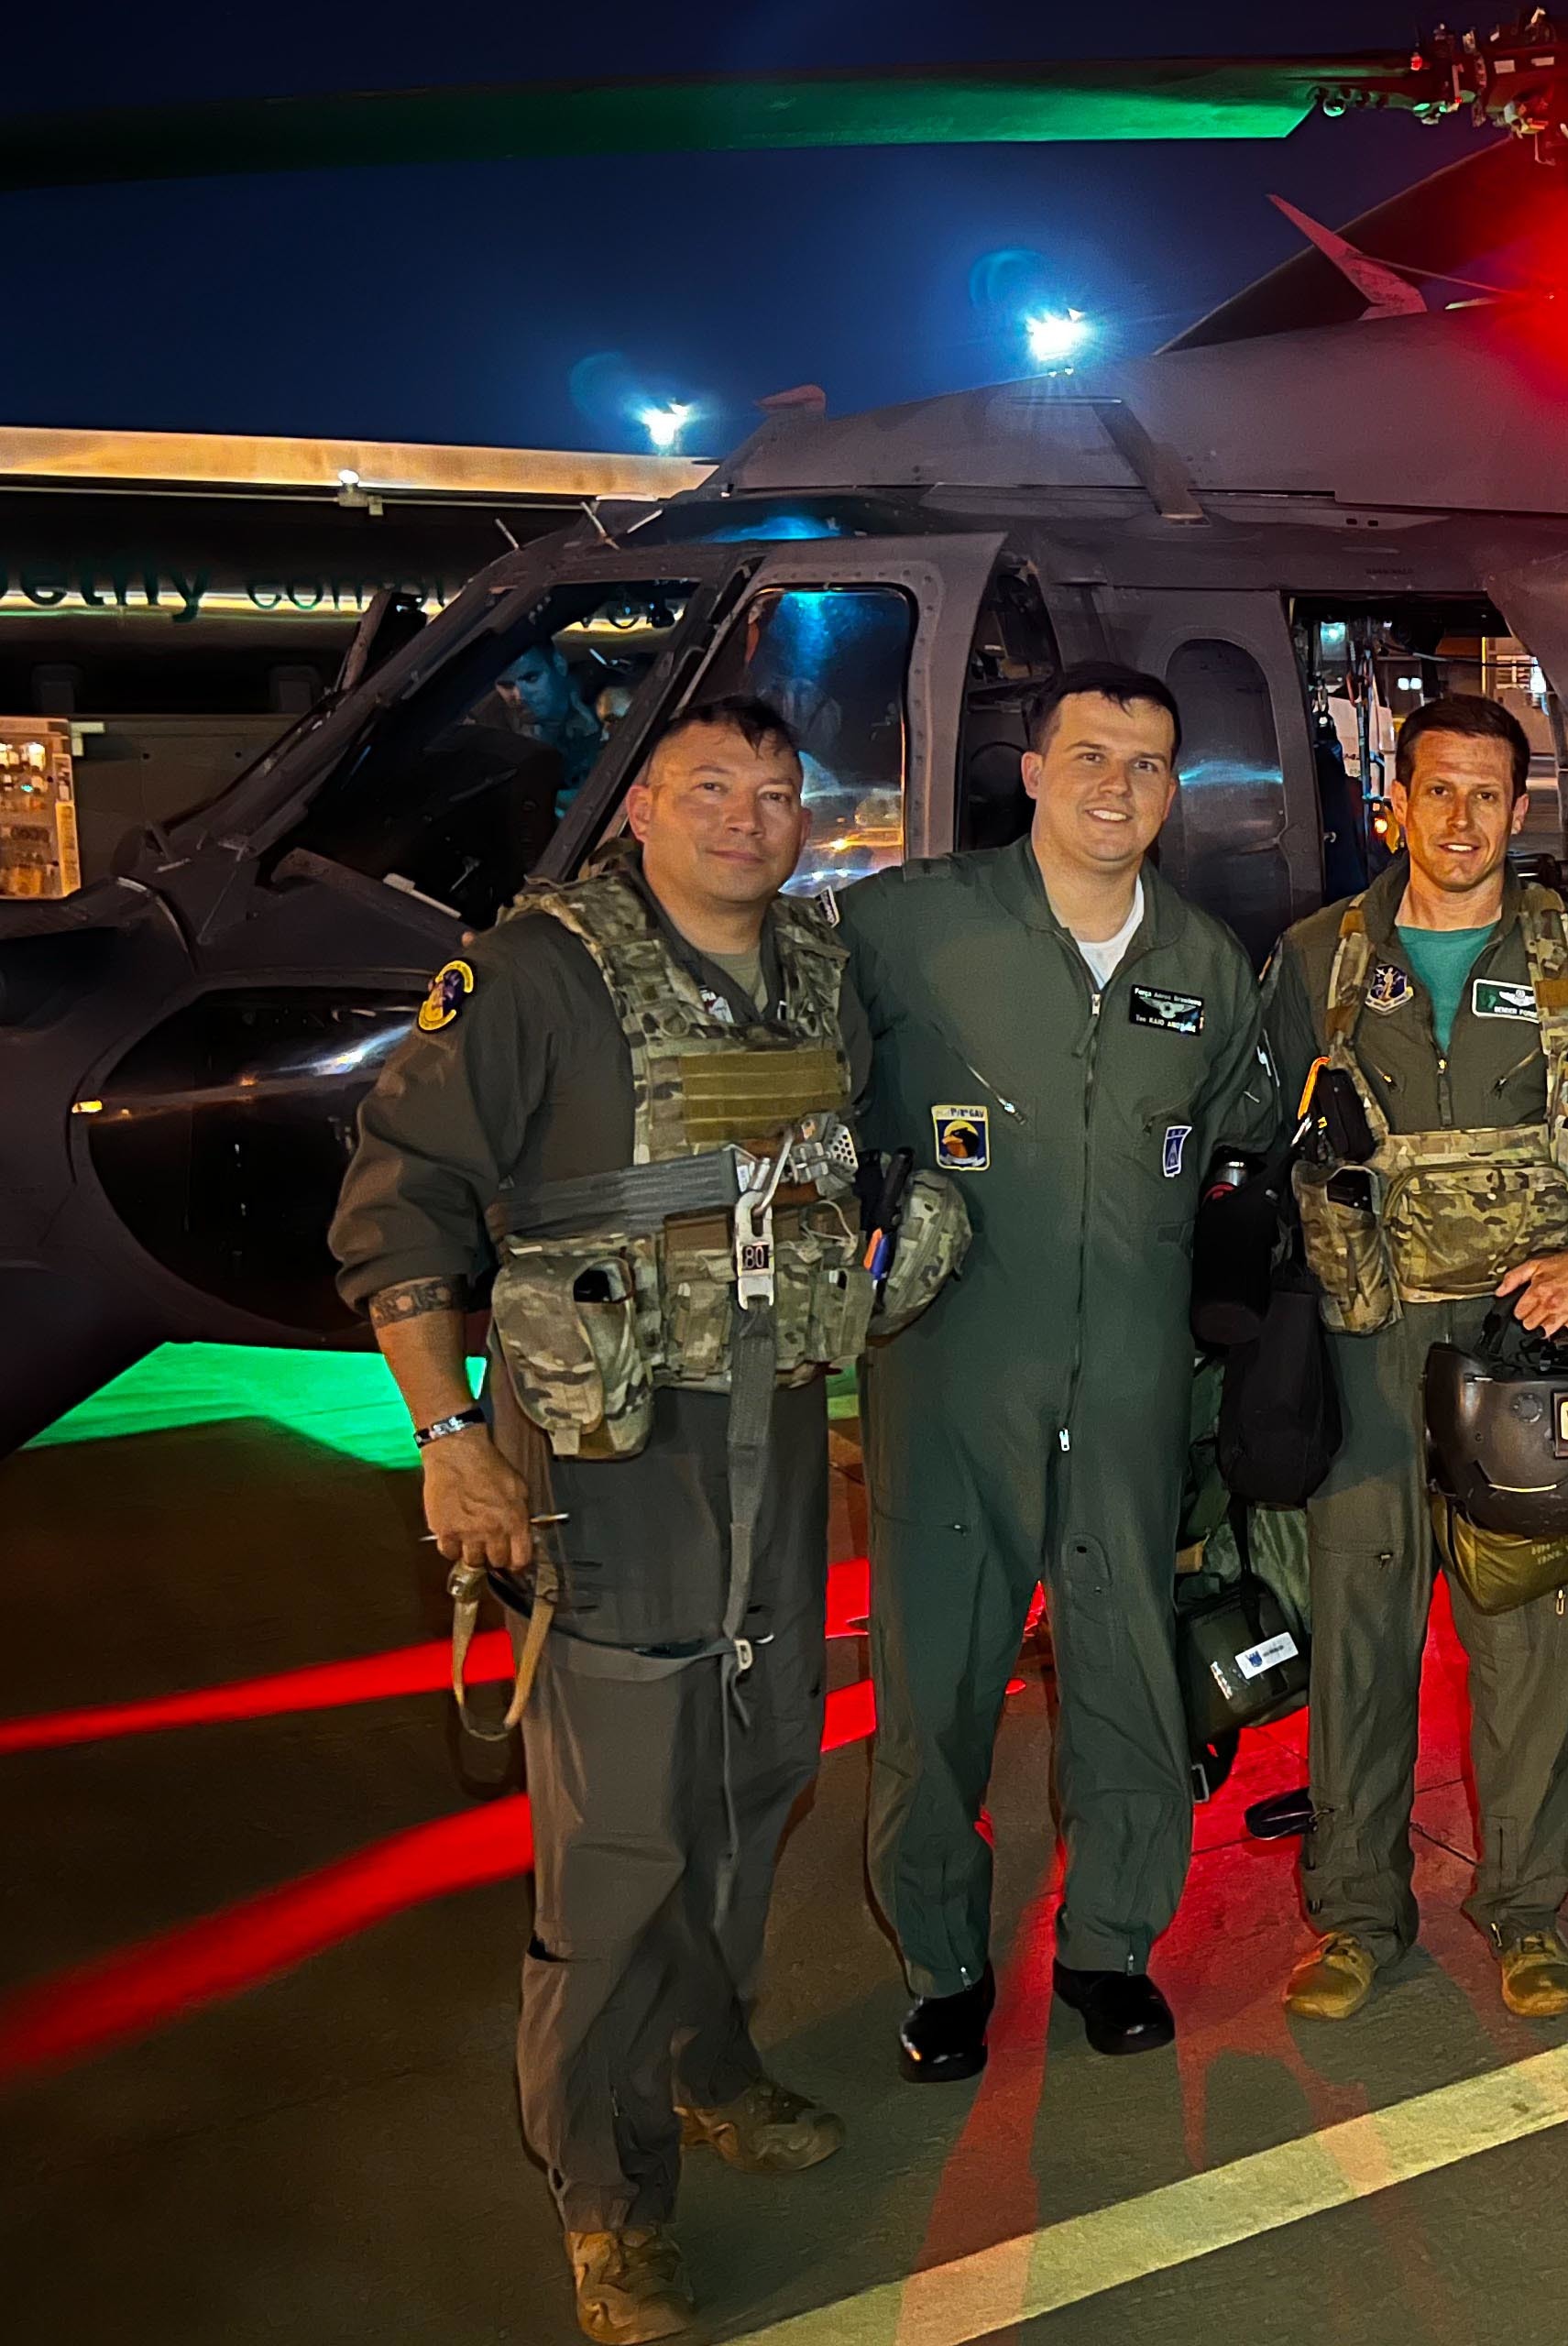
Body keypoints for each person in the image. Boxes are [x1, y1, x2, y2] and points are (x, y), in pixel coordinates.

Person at [331, 697, 872, 2345]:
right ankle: (608, 2199)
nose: (745, 819)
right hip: (604, 1456)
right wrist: (448, 1439)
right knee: (625, 1833)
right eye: (709, 787)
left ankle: (709, 2062)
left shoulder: (820, 972)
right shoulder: (535, 975)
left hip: (775, 1439)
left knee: (760, 1771)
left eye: (773, 793)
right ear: (641, 805)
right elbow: (400, 1201)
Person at [839, 662, 1276, 2080]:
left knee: (1130, 1669)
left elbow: (1238, 1140)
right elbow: (799, 1089)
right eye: (1089, 755)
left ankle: (1112, 1944)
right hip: (952, 1375)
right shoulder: (904, 929)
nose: (1116, 788)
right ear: (1031, 772)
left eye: (1147, 765)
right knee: (937, 1684)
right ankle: (943, 1964)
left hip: (1134, 1385)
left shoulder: (1203, 964)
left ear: (1173, 792)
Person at [1259, 692, 1568, 2023]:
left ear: (1522, 811)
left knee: (1528, 1644)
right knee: (1358, 1648)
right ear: (1394, 802)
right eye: (1437, 789)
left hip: (1530, 1360)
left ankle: (1524, 1912)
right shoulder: (1314, 963)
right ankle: (1356, 1915)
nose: (1461, 818)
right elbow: (1251, 1150)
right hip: (1365, 1357)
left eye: (1488, 794)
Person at [494, 642, 612, 812]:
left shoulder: (611, 703)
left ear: (559, 664)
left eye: (531, 679)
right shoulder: (500, 737)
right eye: (506, 685)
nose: (518, 696)